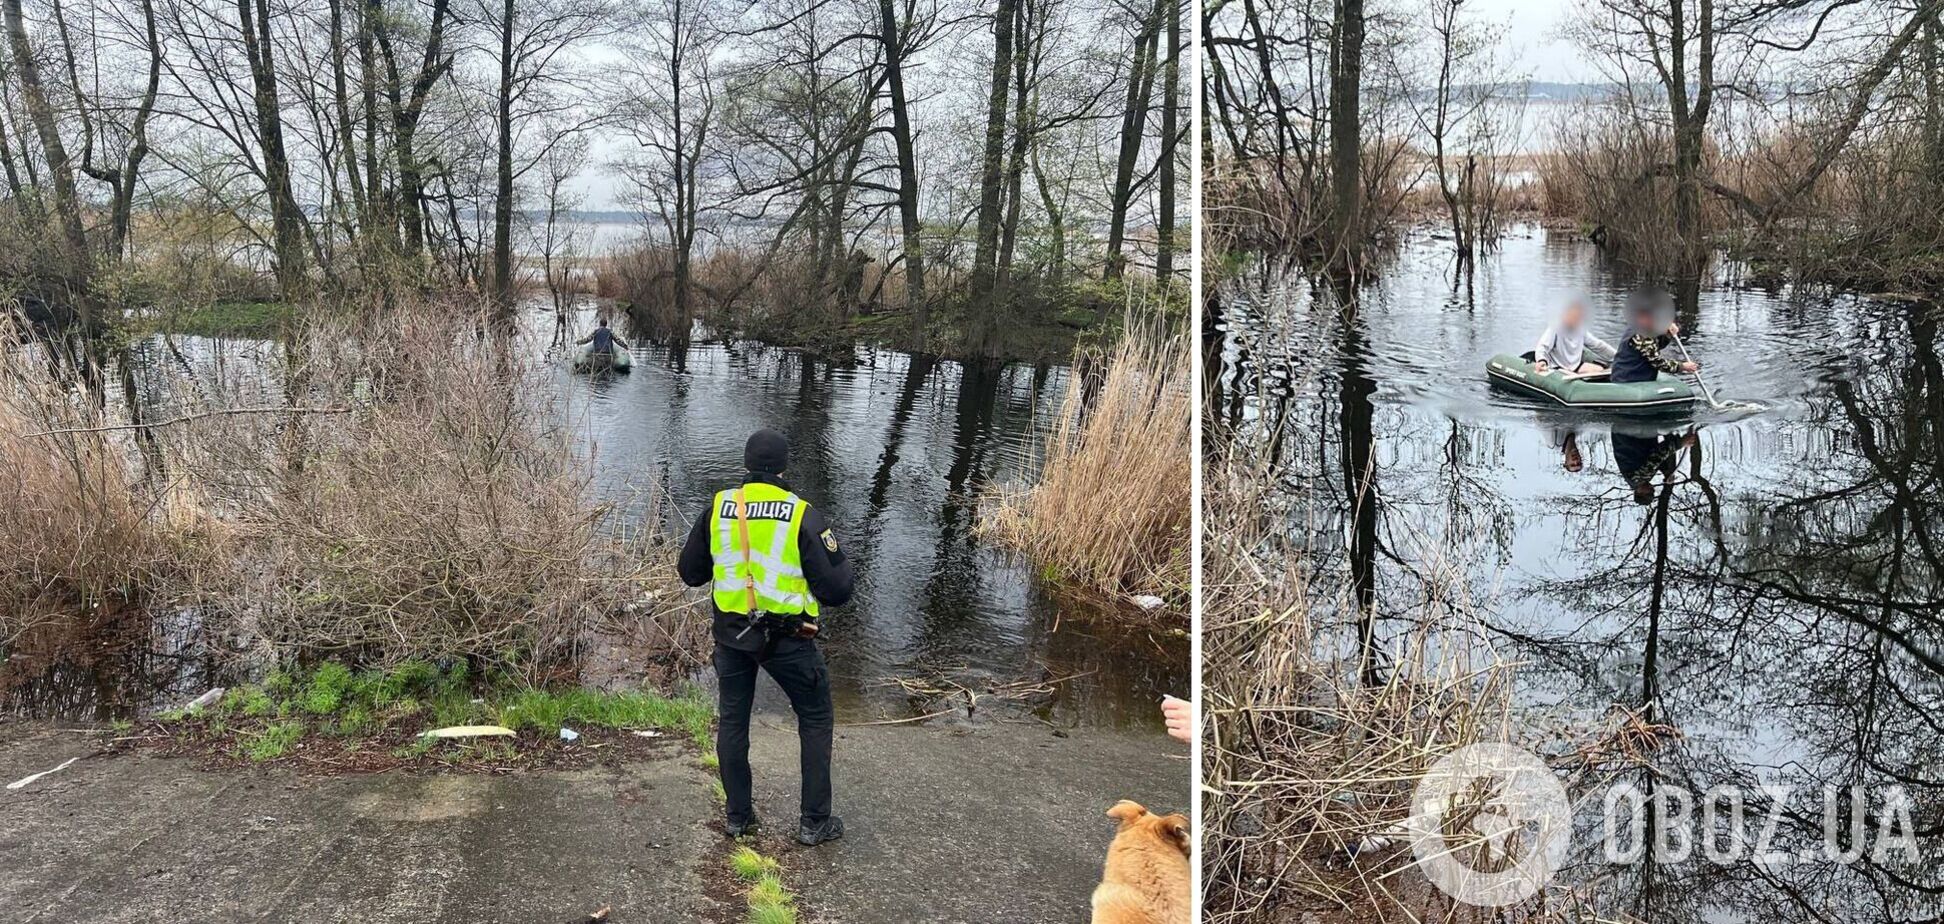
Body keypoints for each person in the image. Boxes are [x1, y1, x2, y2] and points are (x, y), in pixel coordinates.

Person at [678, 429, 854, 846]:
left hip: (732, 636)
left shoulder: (719, 508)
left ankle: (739, 818)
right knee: (815, 718)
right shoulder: (801, 515)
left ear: (746, 465)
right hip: (789, 640)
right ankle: (814, 822)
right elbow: (838, 591)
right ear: (784, 468)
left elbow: (691, 573)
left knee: (733, 721)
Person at [1609, 289, 1699, 384]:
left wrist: (1667, 335)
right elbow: (1657, 362)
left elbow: (1655, 346)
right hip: (1629, 379)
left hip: (1632, 376)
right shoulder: (1642, 336)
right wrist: (1682, 366)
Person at [1531, 295, 1616, 375]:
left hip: (1575, 366)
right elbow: (1542, 346)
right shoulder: (1555, 328)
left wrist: (1618, 355)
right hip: (1556, 366)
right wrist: (1542, 360)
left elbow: (1598, 345)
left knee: (1599, 371)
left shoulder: (1581, 330)